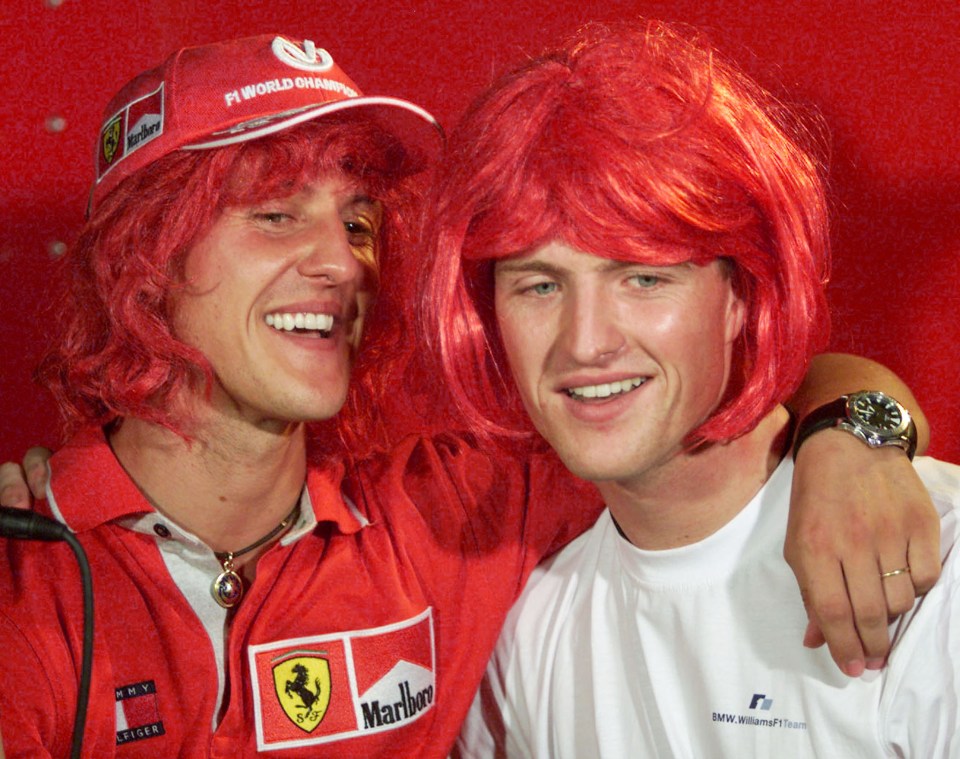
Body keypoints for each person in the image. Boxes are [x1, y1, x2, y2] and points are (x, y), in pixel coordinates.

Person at [0, 30, 941, 759]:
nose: (342, 263)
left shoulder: (448, 516)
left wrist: (855, 431)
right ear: (146, 262)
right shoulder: (25, 576)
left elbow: (689, 416)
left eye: (358, 220)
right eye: (276, 216)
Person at [420, 21, 960, 757]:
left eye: (643, 277)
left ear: (744, 296)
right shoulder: (526, 637)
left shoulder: (938, 566)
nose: (585, 342)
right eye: (540, 284)